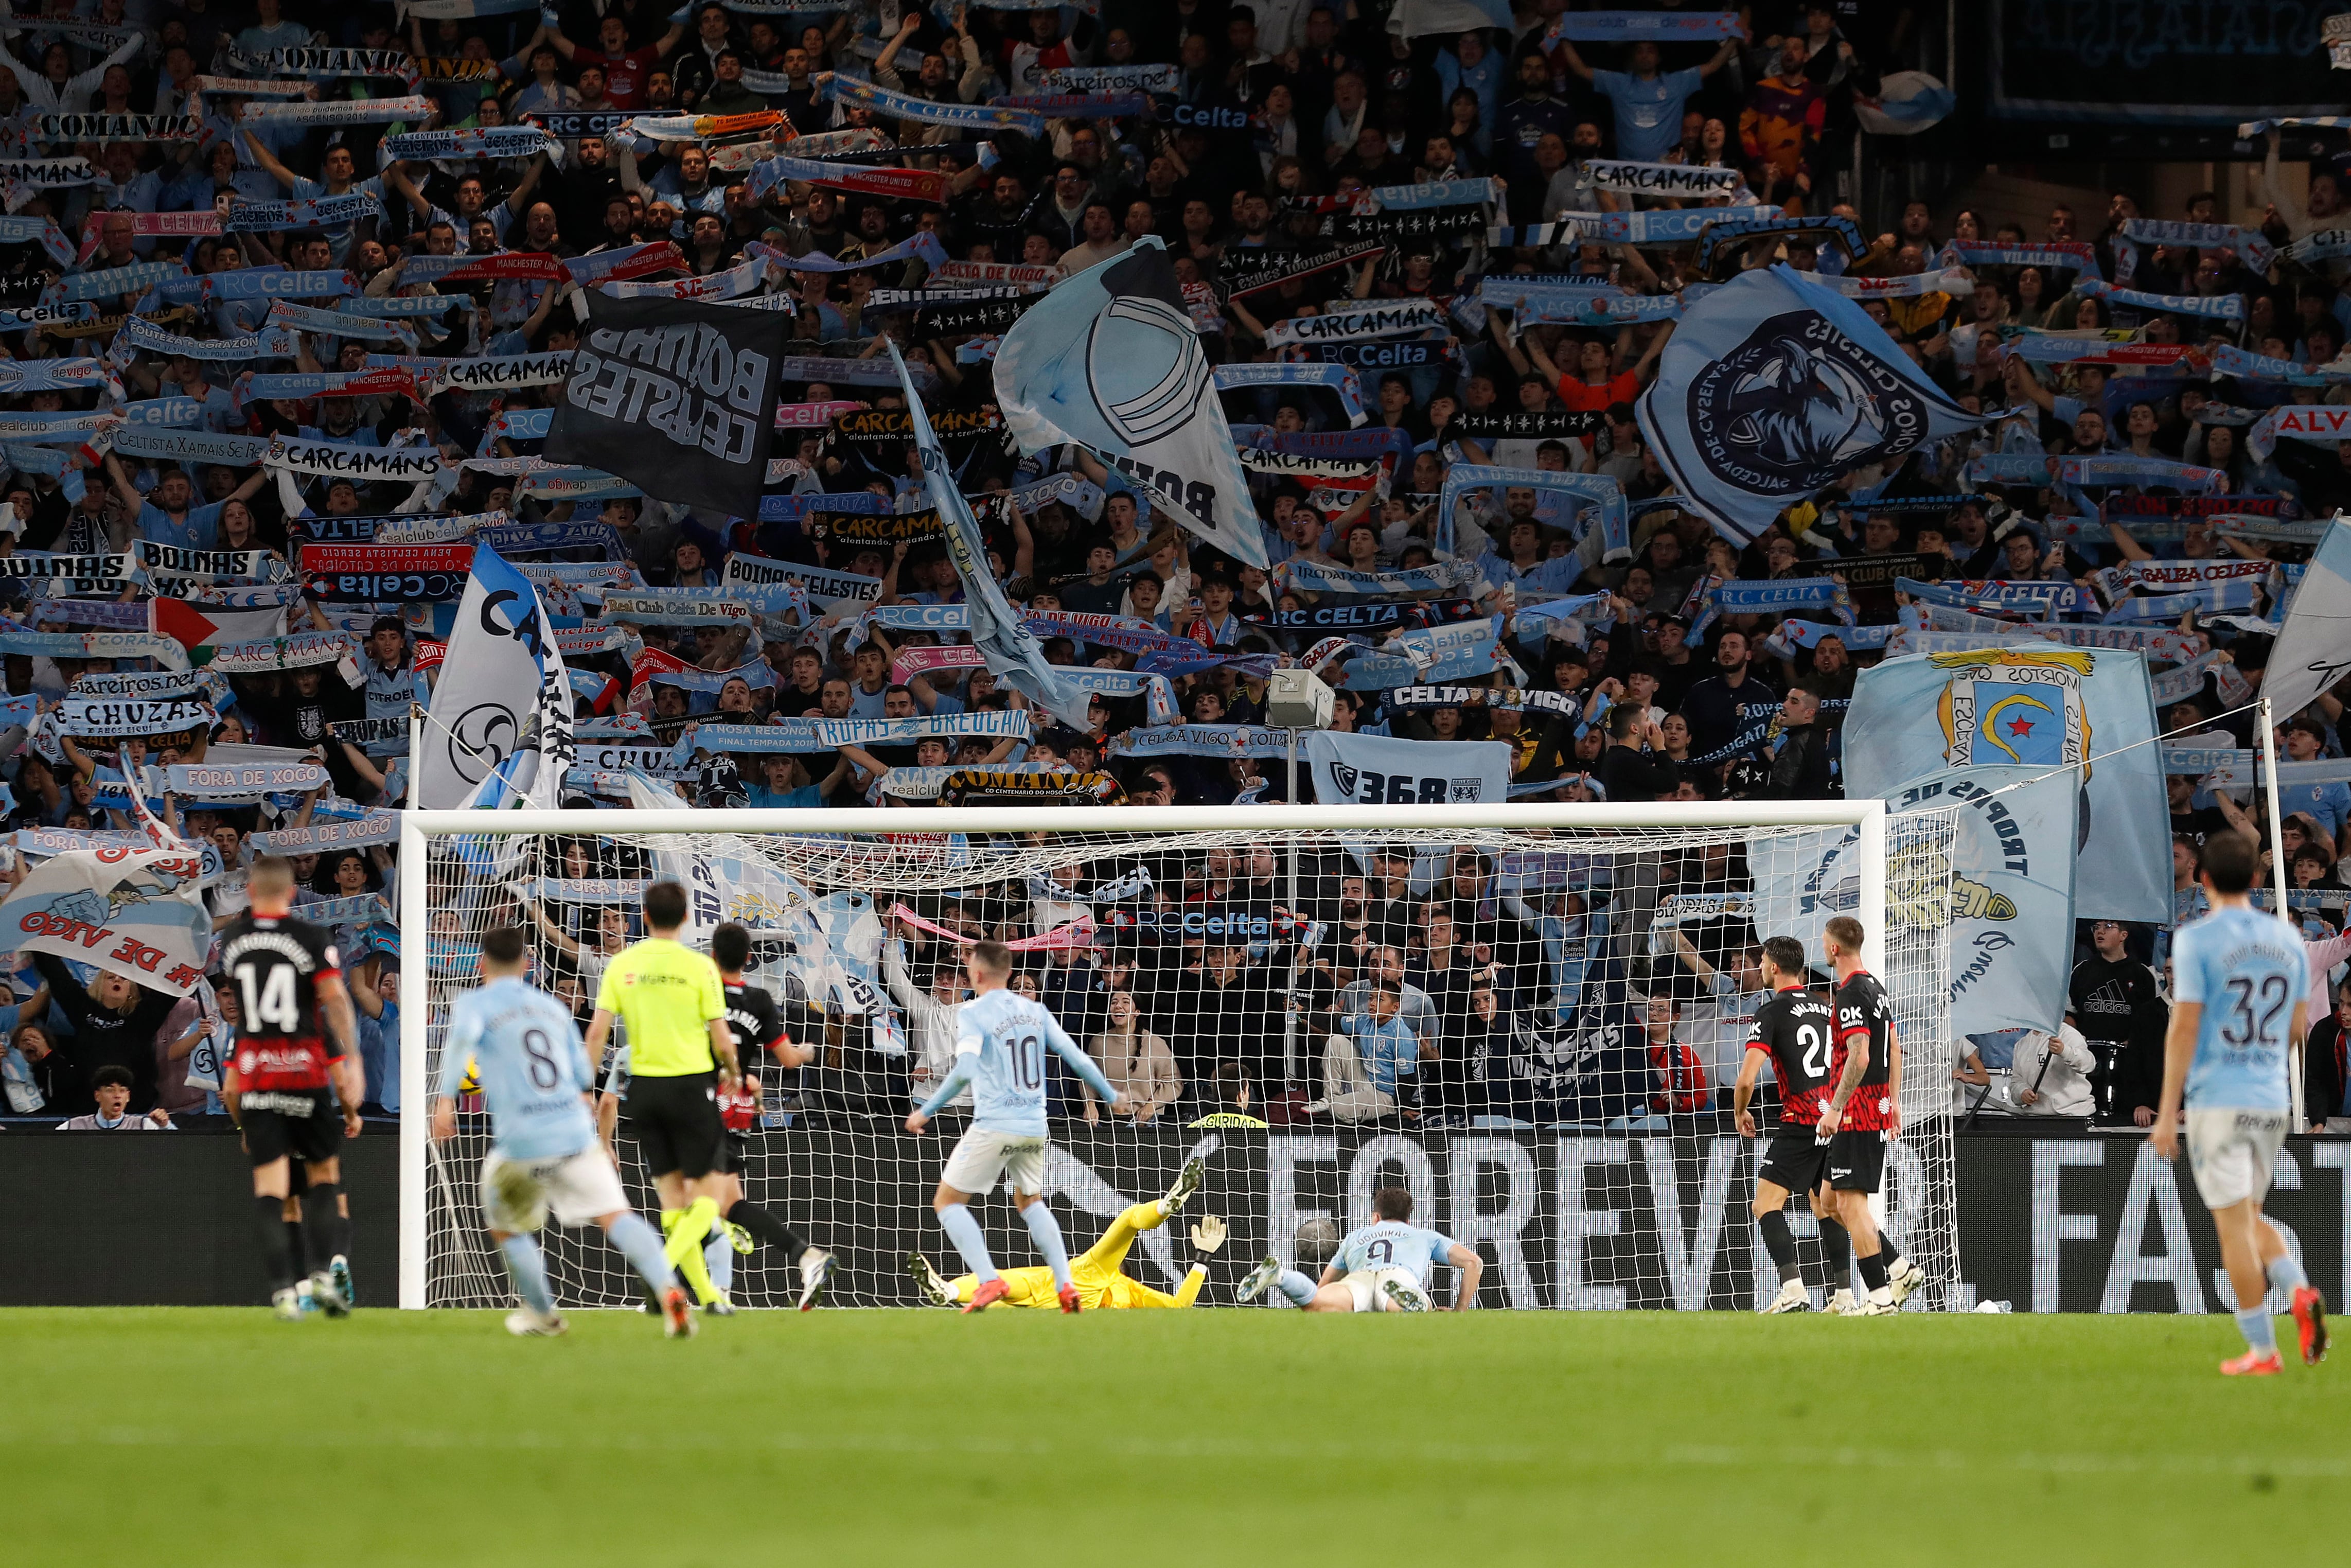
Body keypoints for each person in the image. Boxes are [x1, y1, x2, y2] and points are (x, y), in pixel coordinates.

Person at [431, 926, 694, 1339]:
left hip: (521, 1143)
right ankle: (669, 1289)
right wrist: (586, 1093)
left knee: (509, 1229)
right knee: (618, 1216)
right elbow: (581, 1071)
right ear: (526, 965)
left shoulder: (475, 1003)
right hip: (574, 1133)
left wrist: (445, 1101)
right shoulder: (551, 1008)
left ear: (481, 964)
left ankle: (542, 1314)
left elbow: (459, 1043)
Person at [2153, 831, 2329, 1373]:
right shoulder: (2286, 939)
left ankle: (2263, 1347)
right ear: (2257, 879)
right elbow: (2299, 1026)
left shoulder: (2196, 939)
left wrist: (2165, 1111)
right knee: (2249, 1215)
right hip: (2272, 1098)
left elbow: (2183, 1027)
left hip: (2219, 1100)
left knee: (2232, 1227)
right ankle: (2299, 1295)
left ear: (2202, 879)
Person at [901, 939, 1123, 1313]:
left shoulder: (973, 1012)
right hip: (1035, 1123)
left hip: (996, 1121)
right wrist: (1110, 1094)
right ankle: (1066, 1284)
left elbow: (965, 1069)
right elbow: (1076, 1057)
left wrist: (927, 1109)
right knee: (1030, 1201)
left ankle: (989, 1279)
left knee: (947, 1200)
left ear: (978, 973)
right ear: (1008, 972)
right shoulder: (1034, 1010)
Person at [582, 880, 741, 1311]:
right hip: (691, 1087)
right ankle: (662, 1272)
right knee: (710, 1198)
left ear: (645, 918)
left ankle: (707, 1297)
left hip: (645, 1091)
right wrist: (734, 1073)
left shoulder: (621, 964)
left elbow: (597, 1033)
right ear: (686, 916)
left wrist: (584, 1088)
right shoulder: (700, 967)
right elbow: (721, 1036)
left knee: (672, 1205)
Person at [220, 856, 365, 1320]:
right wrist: (352, 1058)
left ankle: (285, 1290)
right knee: (324, 1176)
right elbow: (335, 999)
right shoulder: (310, 937)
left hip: (256, 1075)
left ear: (249, 892)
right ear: (291, 893)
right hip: (303, 1070)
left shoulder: (232, 941)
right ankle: (325, 1273)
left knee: (270, 1188)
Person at [709, 921, 837, 1311]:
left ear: (711, 956)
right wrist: (809, 1051)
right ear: (749, 958)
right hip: (741, 1103)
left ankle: (664, 1291)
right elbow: (786, 1059)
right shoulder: (760, 999)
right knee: (726, 1204)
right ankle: (804, 1256)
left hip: (703, 1102)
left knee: (695, 1205)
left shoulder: (701, 996)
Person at [911, 1157, 1215, 1309]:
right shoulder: (1126, 1289)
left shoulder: (1119, 1282)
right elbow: (1180, 1306)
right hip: (1057, 1300)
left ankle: (949, 1291)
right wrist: (1201, 1260)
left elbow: (1179, 1307)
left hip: (1057, 1294)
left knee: (1001, 1282)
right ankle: (1164, 1206)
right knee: (1001, 1287)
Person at [1814, 915, 1926, 1314]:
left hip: (1856, 1110)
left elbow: (1860, 1055)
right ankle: (1897, 1266)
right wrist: (1893, 1101)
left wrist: (1836, 1107)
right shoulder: (1875, 988)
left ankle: (1880, 1298)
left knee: (1850, 1203)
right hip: (1876, 1103)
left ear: (1833, 949)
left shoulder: (1849, 992)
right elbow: (1894, 1047)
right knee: (1827, 1200)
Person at [1730, 936, 1839, 1314]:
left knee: (1764, 1204)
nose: (1759, 967)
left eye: (1761, 961)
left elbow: (1745, 1079)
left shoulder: (1771, 1012)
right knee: (1823, 1205)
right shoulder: (1826, 1008)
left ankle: (1793, 1289)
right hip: (1832, 1117)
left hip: (1801, 1120)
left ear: (1774, 967)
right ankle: (1843, 1296)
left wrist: (1739, 1110)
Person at [1234, 1184, 1483, 1312]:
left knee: (1318, 1303)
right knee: (1413, 1309)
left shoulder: (1356, 1237)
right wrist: (1460, 1310)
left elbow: (1322, 1286)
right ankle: (1410, 1302)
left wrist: (1318, 1298)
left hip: (1360, 1278)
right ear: (1408, 1219)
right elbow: (1474, 1263)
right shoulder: (1424, 1235)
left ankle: (1281, 1276)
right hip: (1400, 1276)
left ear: (1376, 1217)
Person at [54, 1064, 172, 1130]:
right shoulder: (74, 1126)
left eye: (122, 1091)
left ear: (128, 1097)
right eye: (110, 1090)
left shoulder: (143, 1126)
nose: (117, 1096)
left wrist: (165, 1126)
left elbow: (177, 1150)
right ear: (97, 1096)